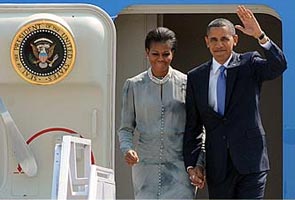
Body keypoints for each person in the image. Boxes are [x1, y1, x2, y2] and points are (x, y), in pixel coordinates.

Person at [183, 5, 287, 199]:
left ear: (235, 40)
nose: (219, 44)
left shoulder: (249, 63)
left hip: (251, 162)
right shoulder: (196, 77)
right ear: (207, 42)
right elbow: (193, 126)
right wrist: (192, 164)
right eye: (213, 39)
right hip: (218, 166)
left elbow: (278, 66)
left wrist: (260, 35)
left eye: (224, 39)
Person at [118, 27, 204, 199]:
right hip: (145, 168)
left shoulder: (187, 84)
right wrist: (126, 149)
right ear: (147, 53)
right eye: (155, 54)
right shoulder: (134, 85)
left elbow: (199, 129)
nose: (160, 59)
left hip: (180, 168)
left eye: (166, 54)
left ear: (172, 54)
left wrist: (199, 162)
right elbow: (126, 128)